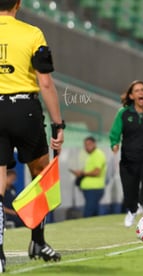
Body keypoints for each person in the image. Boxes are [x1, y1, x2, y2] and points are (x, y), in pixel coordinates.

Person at [0, 0, 65, 269]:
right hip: (25, 109)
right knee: (41, 174)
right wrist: (58, 124)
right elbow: (46, 81)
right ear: (18, 4)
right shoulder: (32, 33)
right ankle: (38, 241)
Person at [109, 80, 143, 227]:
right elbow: (115, 131)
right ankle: (133, 210)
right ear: (131, 96)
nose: (141, 93)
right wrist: (114, 143)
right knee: (129, 193)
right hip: (128, 160)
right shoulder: (124, 113)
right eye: (137, 90)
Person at [71, 137, 107, 217]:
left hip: (94, 189)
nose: (87, 147)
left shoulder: (97, 154)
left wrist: (82, 173)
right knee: (93, 212)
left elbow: (97, 171)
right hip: (91, 189)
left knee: (89, 213)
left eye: (89, 144)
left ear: (94, 144)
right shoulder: (92, 155)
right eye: (85, 145)